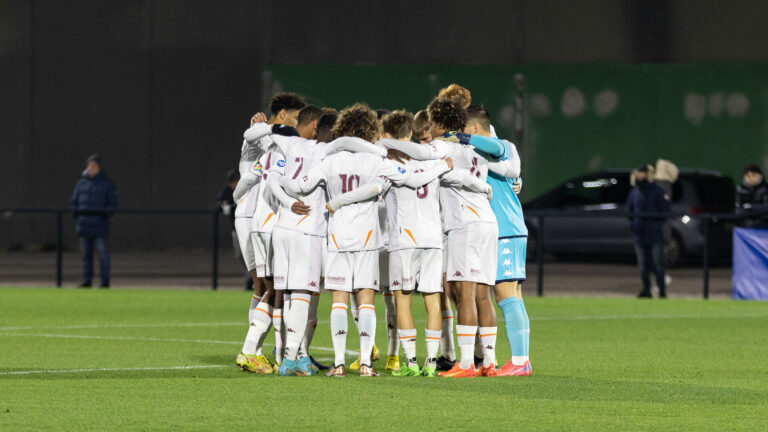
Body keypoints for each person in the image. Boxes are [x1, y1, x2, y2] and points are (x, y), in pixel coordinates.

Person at [281, 103, 454, 377]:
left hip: (337, 238)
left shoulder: (329, 160)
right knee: (366, 302)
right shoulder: (377, 160)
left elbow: (300, 186)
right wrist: (441, 168)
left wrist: (280, 182)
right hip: (368, 238)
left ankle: (338, 364)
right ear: (369, 130)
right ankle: (365, 363)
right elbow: (409, 179)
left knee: (339, 300)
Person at [465, 104, 531, 376]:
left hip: (505, 228)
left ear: (474, 128)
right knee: (512, 295)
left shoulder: (493, 146)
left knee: (506, 294)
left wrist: (459, 138)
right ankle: (518, 359)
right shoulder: (484, 152)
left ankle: (519, 361)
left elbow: (506, 162)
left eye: (464, 128)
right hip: (506, 228)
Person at [69, 154, 118, 288]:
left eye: (94, 165)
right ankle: (87, 280)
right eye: (89, 166)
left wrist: (103, 216)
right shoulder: (81, 183)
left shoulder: (107, 184)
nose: (91, 168)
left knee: (102, 254)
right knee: (86, 256)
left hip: (99, 224)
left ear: (99, 167)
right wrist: (78, 216)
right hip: (84, 224)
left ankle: (105, 281)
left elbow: (112, 203)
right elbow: (74, 202)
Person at [627, 165, 671, 298]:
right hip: (640, 234)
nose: (640, 175)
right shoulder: (635, 192)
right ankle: (646, 290)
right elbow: (629, 211)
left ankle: (662, 290)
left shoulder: (657, 191)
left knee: (658, 263)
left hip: (654, 234)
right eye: (639, 173)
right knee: (643, 265)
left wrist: (655, 225)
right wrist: (634, 225)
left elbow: (664, 211)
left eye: (642, 173)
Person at [217, 169, 252, 290]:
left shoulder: (247, 187)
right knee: (239, 254)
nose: (233, 186)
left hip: (249, 225)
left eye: (235, 183)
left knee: (251, 253)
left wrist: (231, 207)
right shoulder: (227, 189)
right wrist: (222, 206)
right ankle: (249, 278)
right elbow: (220, 204)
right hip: (235, 227)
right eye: (231, 184)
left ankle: (254, 280)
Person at [735, 164, 768, 228]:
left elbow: (766, 207)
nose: (751, 178)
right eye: (748, 176)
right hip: (744, 225)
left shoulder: (766, 189)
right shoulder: (740, 189)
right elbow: (738, 209)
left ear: (760, 175)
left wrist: (751, 207)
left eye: (754, 175)